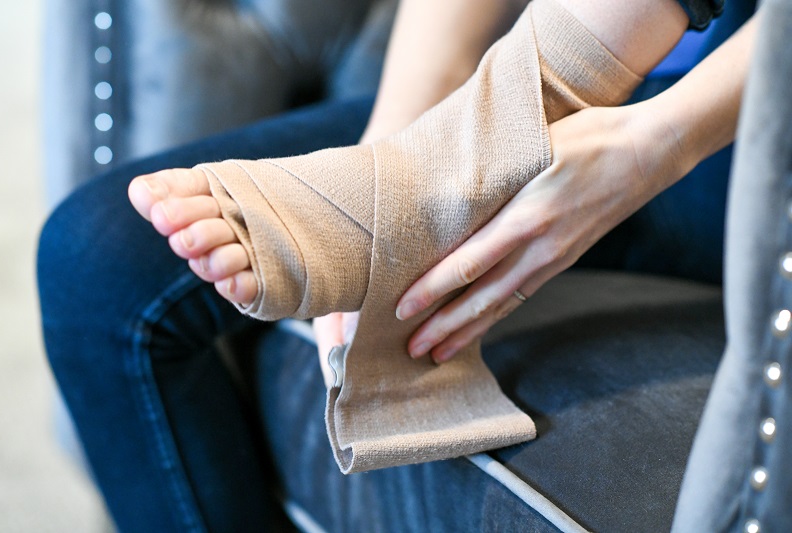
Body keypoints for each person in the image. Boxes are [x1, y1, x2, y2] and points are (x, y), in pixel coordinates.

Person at [38, 0, 756, 530]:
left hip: (745, 140)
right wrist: (391, 165)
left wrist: (658, 141)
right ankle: (509, 107)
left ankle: (549, 82)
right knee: (98, 259)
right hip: (536, 90)